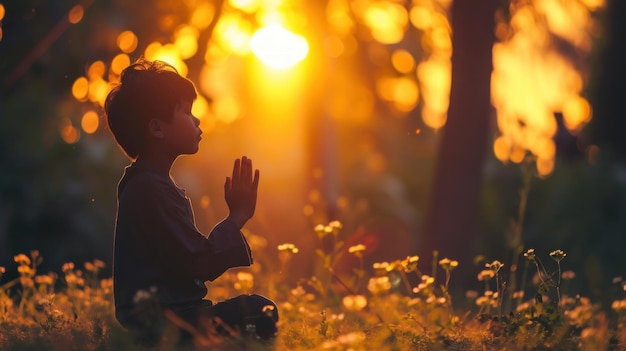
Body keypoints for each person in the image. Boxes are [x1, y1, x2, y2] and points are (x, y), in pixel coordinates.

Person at [104, 58, 278, 346]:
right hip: (164, 324)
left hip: (168, 319)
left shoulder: (149, 184)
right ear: (157, 129)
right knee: (260, 312)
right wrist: (237, 216)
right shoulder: (150, 189)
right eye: (186, 112)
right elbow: (199, 262)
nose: (196, 120)